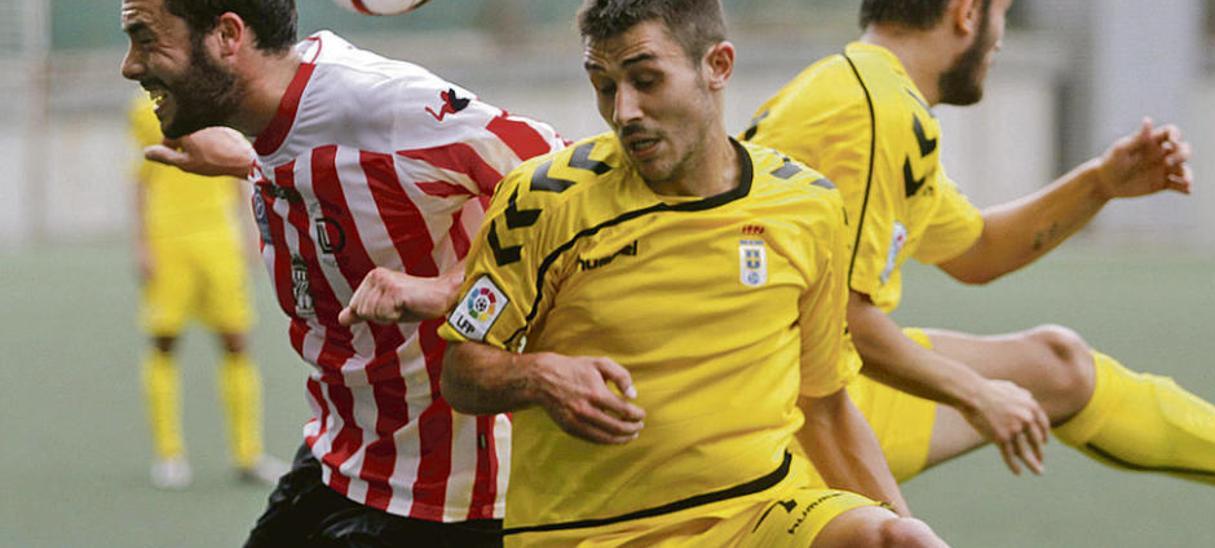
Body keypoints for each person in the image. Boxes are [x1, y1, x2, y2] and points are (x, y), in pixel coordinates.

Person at [434, 1, 945, 546]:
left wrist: (902, 527)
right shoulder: (544, 200)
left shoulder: (807, 204)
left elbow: (824, 403)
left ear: (718, 66)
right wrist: (539, 376)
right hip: (589, 534)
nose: (625, 110)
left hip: (761, 513)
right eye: (604, 85)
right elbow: (461, 371)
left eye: (646, 79)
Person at [744, 0, 1215, 513]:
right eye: (1002, 11)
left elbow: (977, 251)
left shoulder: (862, 91)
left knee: (1057, 366)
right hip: (778, 424)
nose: (999, 38)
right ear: (967, 12)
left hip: (807, 386)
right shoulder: (875, 111)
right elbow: (841, 318)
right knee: (896, 536)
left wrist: (1100, 183)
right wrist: (976, 393)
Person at [119, 0, 563, 545]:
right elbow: (330, 161)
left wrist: (449, 288)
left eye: (145, 38)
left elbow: (565, 194)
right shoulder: (271, 117)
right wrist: (247, 161)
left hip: (450, 499)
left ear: (227, 35)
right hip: (340, 460)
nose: (131, 65)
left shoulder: (379, 104)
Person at [128, 93, 285, 489]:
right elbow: (140, 177)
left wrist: (250, 233)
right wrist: (142, 243)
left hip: (219, 240)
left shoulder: (220, 103)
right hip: (169, 239)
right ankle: (169, 454)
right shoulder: (143, 109)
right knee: (164, 341)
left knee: (236, 341)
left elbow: (234, 172)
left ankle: (247, 454)